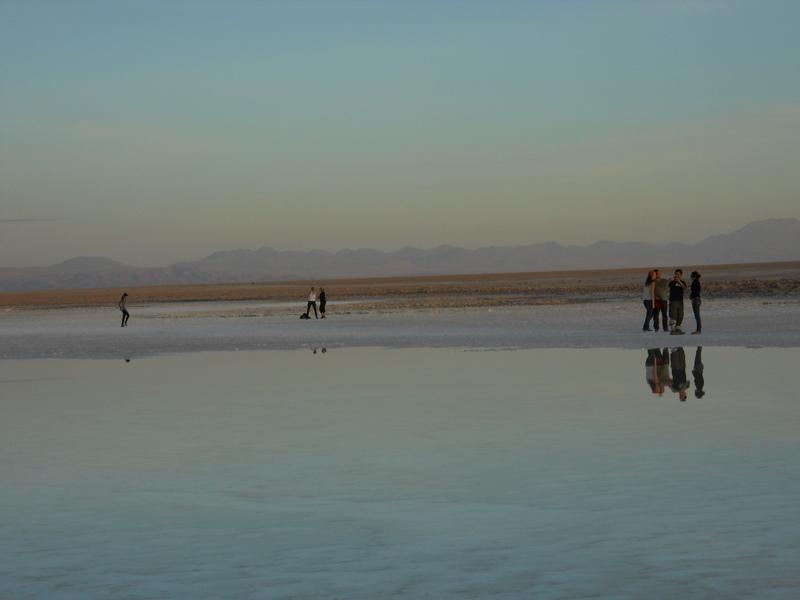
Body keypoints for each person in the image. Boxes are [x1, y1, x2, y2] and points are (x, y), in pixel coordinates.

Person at [668, 269, 687, 334]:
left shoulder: (683, 282)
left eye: (678, 274)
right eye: (676, 274)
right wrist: (669, 281)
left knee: (680, 315)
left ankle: (678, 329)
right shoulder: (672, 282)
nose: (677, 275)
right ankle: (672, 330)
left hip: (680, 301)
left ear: (681, 275)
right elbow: (666, 287)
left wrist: (680, 282)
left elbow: (685, 288)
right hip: (673, 301)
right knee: (673, 315)